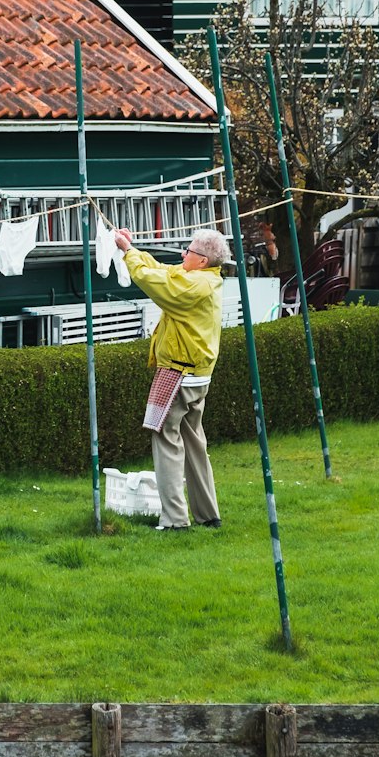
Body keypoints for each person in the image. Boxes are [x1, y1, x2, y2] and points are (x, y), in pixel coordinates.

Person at [114, 226, 232, 531]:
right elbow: (165, 270)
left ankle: (175, 520)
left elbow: (156, 282)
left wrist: (128, 254)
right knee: (193, 441)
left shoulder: (194, 286)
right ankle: (208, 515)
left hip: (177, 373)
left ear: (203, 260)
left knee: (165, 437)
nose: (183, 254)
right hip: (195, 375)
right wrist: (133, 248)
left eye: (189, 250)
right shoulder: (203, 278)